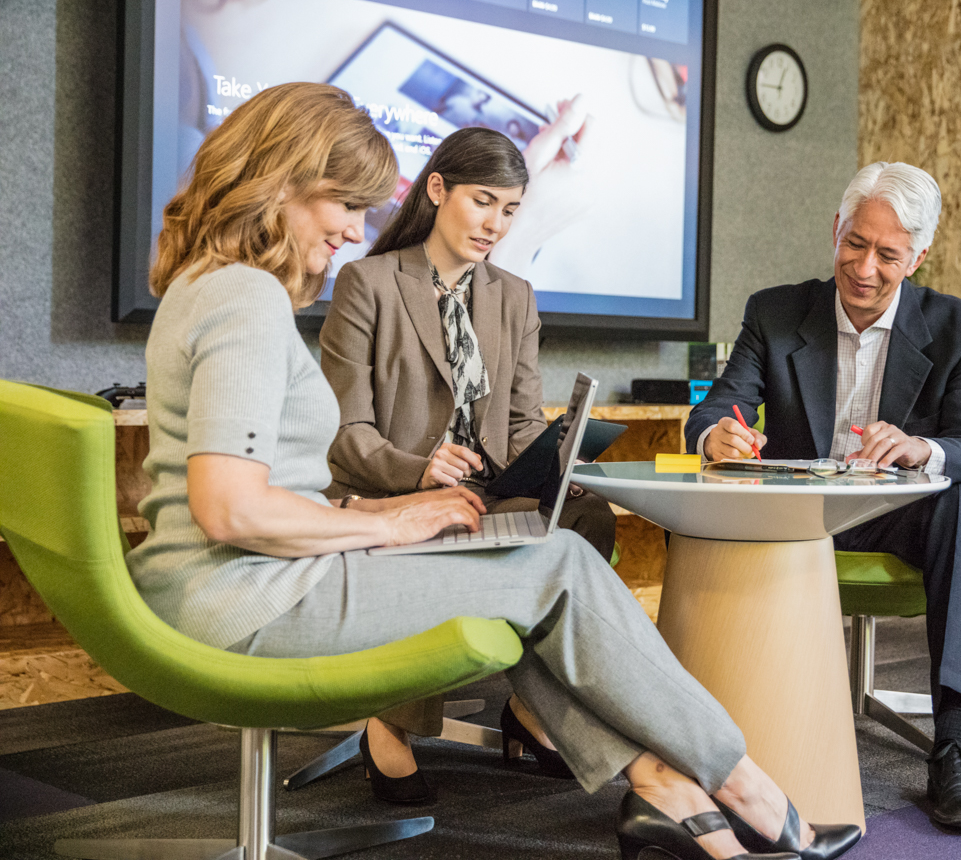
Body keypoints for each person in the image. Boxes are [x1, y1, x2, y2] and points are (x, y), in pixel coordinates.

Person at [128, 82, 859, 860]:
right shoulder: (246, 298)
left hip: (232, 585)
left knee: (536, 567)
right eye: (345, 204)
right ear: (281, 178)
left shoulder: (209, 285)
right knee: (560, 566)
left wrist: (382, 520)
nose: (352, 229)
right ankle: (746, 786)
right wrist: (391, 513)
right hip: (246, 599)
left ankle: (666, 787)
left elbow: (240, 495)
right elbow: (230, 509)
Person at [686, 162, 961, 833]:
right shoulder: (775, 311)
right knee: (697, 505)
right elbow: (719, 407)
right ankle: (698, 734)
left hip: (893, 515)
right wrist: (717, 435)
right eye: (854, 243)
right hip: (798, 512)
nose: (864, 267)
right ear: (835, 230)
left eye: (887, 254)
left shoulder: (957, 328)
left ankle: (956, 747)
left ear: (918, 256)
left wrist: (921, 448)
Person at [318, 125, 617, 560]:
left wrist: (559, 467)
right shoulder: (367, 282)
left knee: (589, 512)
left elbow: (521, 424)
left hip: (486, 494)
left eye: (510, 210)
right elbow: (346, 430)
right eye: (483, 201)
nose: (495, 225)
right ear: (437, 189)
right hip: (397, 492)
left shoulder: (516, 296)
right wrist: (421, 469)